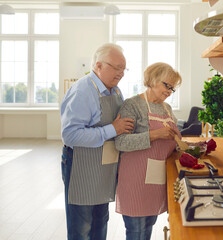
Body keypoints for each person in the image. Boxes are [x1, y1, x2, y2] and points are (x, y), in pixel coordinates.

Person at [60, 43, 134, 240]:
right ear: (98, 66)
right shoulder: (83, 91)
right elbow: (70, 135)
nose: (121, 73)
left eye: (123, 68)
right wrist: (113, 129)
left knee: (100, 221)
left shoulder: (115, 91)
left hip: (103, 165)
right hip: (81, 164)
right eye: (117, 68)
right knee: (82, 227)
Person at [114, 62, 182, 240]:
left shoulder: (167, 108)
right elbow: (120, 142)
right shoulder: (132, 105)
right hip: (135, 178)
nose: (169, 91)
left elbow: (174, 140)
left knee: (148, 227)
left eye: (172, 89)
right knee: (137, 232)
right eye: (167, 85)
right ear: (152, 80)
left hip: (158, 177)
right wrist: (155, 134)